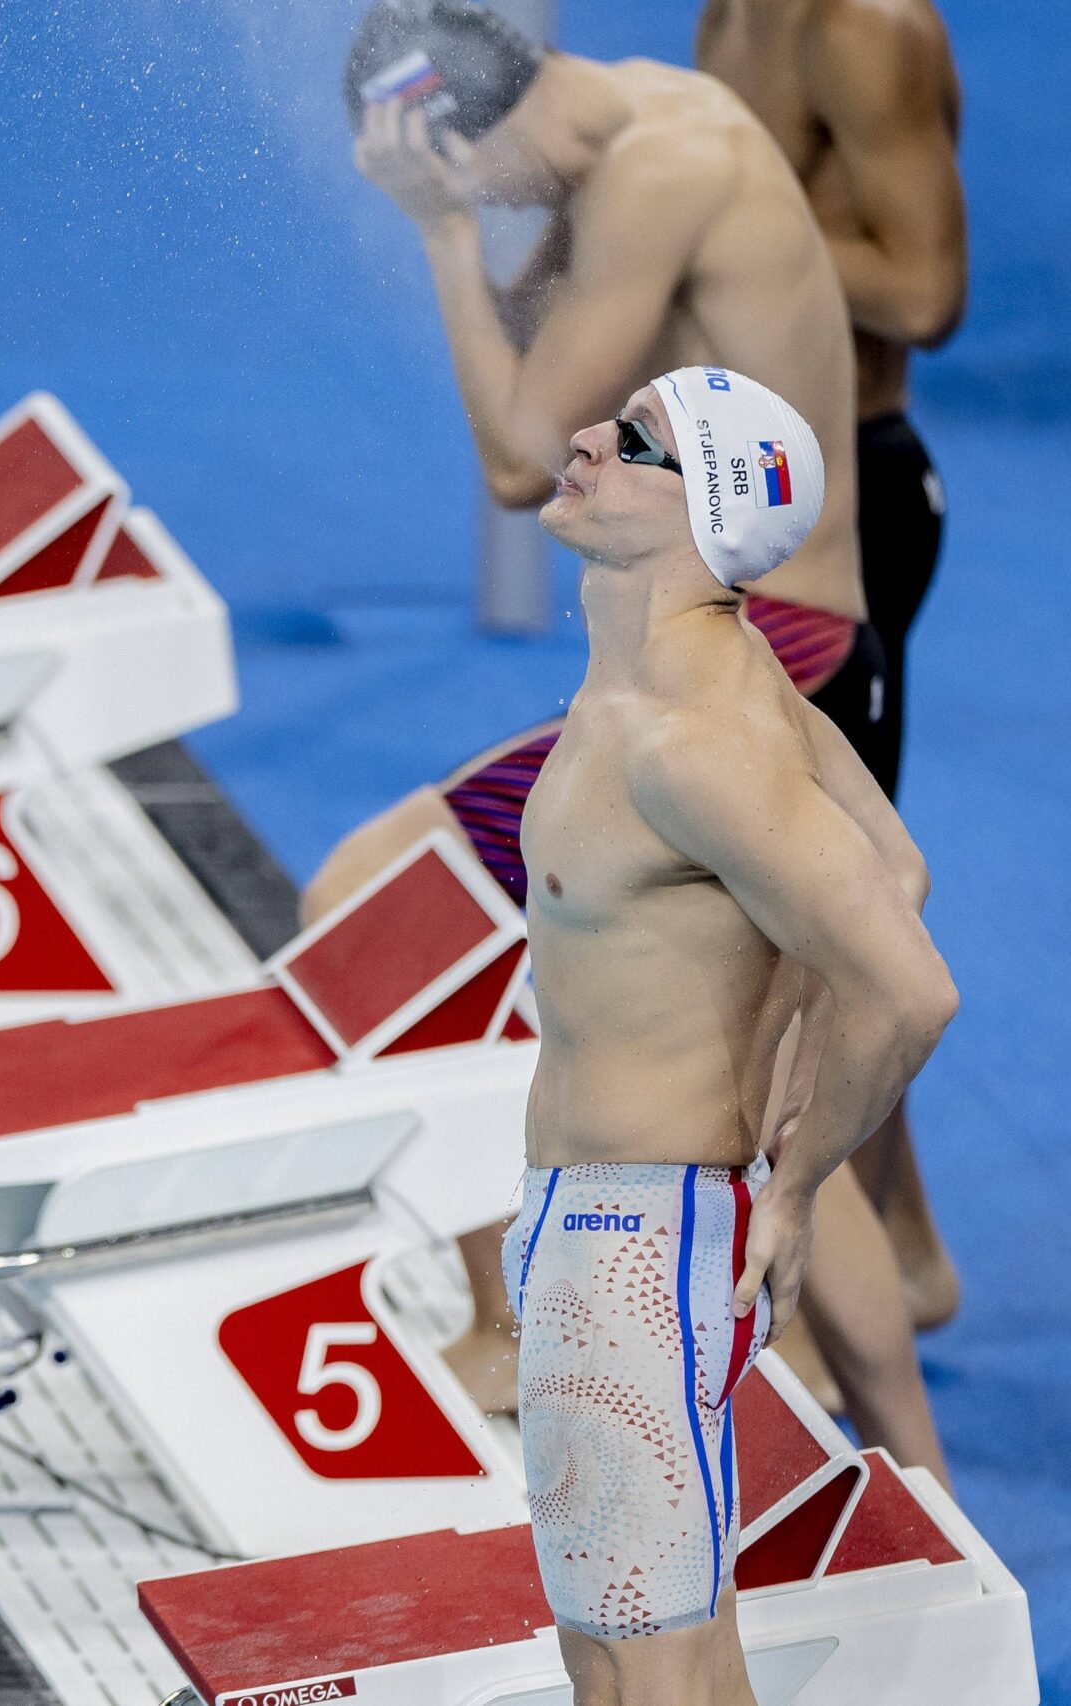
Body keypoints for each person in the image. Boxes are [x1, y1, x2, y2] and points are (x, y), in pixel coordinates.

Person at [330, 0, 949, 1478]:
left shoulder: (655, 170)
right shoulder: (635, 127)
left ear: (463, 138)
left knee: (373, 895)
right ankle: (906, 1451)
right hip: (797, 638)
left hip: (767, 638)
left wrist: (440, 238)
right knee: (778, 1079)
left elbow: (517, 455)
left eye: (456, 176)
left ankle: (516, 1331)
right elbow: (548, 374)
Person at [502, 368, 956, 1700]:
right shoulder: (716, 682)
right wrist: (787, 1076)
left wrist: (799, 1180)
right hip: (626, 1229)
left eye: (635, 443)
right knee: (652, 1653)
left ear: (706, 513)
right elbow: (895, 866)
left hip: (629, 1241)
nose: (587, 438)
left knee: (642, 1672)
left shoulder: (688, 745)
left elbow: (909, 986)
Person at [697, 0, 969, 1332]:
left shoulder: (862, 25)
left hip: (848, 508)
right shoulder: (729, 10)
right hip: (749, 499)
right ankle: (901, 1247)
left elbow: (924, 291)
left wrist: (714, 217)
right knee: (789, 907)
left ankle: (848, 1278)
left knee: (804, 919)